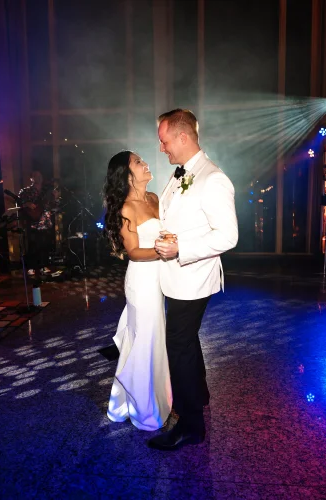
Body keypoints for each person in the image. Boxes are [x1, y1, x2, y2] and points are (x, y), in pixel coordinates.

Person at [149, 109, 238, 450]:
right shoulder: (181, 174)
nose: (162, 147)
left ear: (183, 138)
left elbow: (228, 236)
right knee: (185, 340)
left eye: (165, 140)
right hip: (177, 276)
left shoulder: (213, 178)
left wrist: (179, 248)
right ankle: (198, 395)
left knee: (178, 345)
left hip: (193, 278)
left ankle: (191, 425)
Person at [102, 151, 172, 431]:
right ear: (127, 175)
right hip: (142, 281)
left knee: (154, 341)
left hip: (160, 278)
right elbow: (133, 252)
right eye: (138, 162)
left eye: (143, 160)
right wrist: (164, 250)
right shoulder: (126, 208)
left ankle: (127, 402)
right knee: (145, 342)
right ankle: (145, 412)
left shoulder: (154, 198)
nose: (145, 164)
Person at [18, 170, 56, 277]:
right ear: (31, 178)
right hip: (33, 221)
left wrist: (55, 197)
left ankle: (44, 265)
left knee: (45, 243)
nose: (38, 178)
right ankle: (31, 267)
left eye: (40, 175)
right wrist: (27, 204)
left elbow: (51, 204)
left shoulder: (46, 191)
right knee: (33, 244)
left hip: (45, 220)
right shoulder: (26, 191)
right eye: (35, 176)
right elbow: (21, 203)